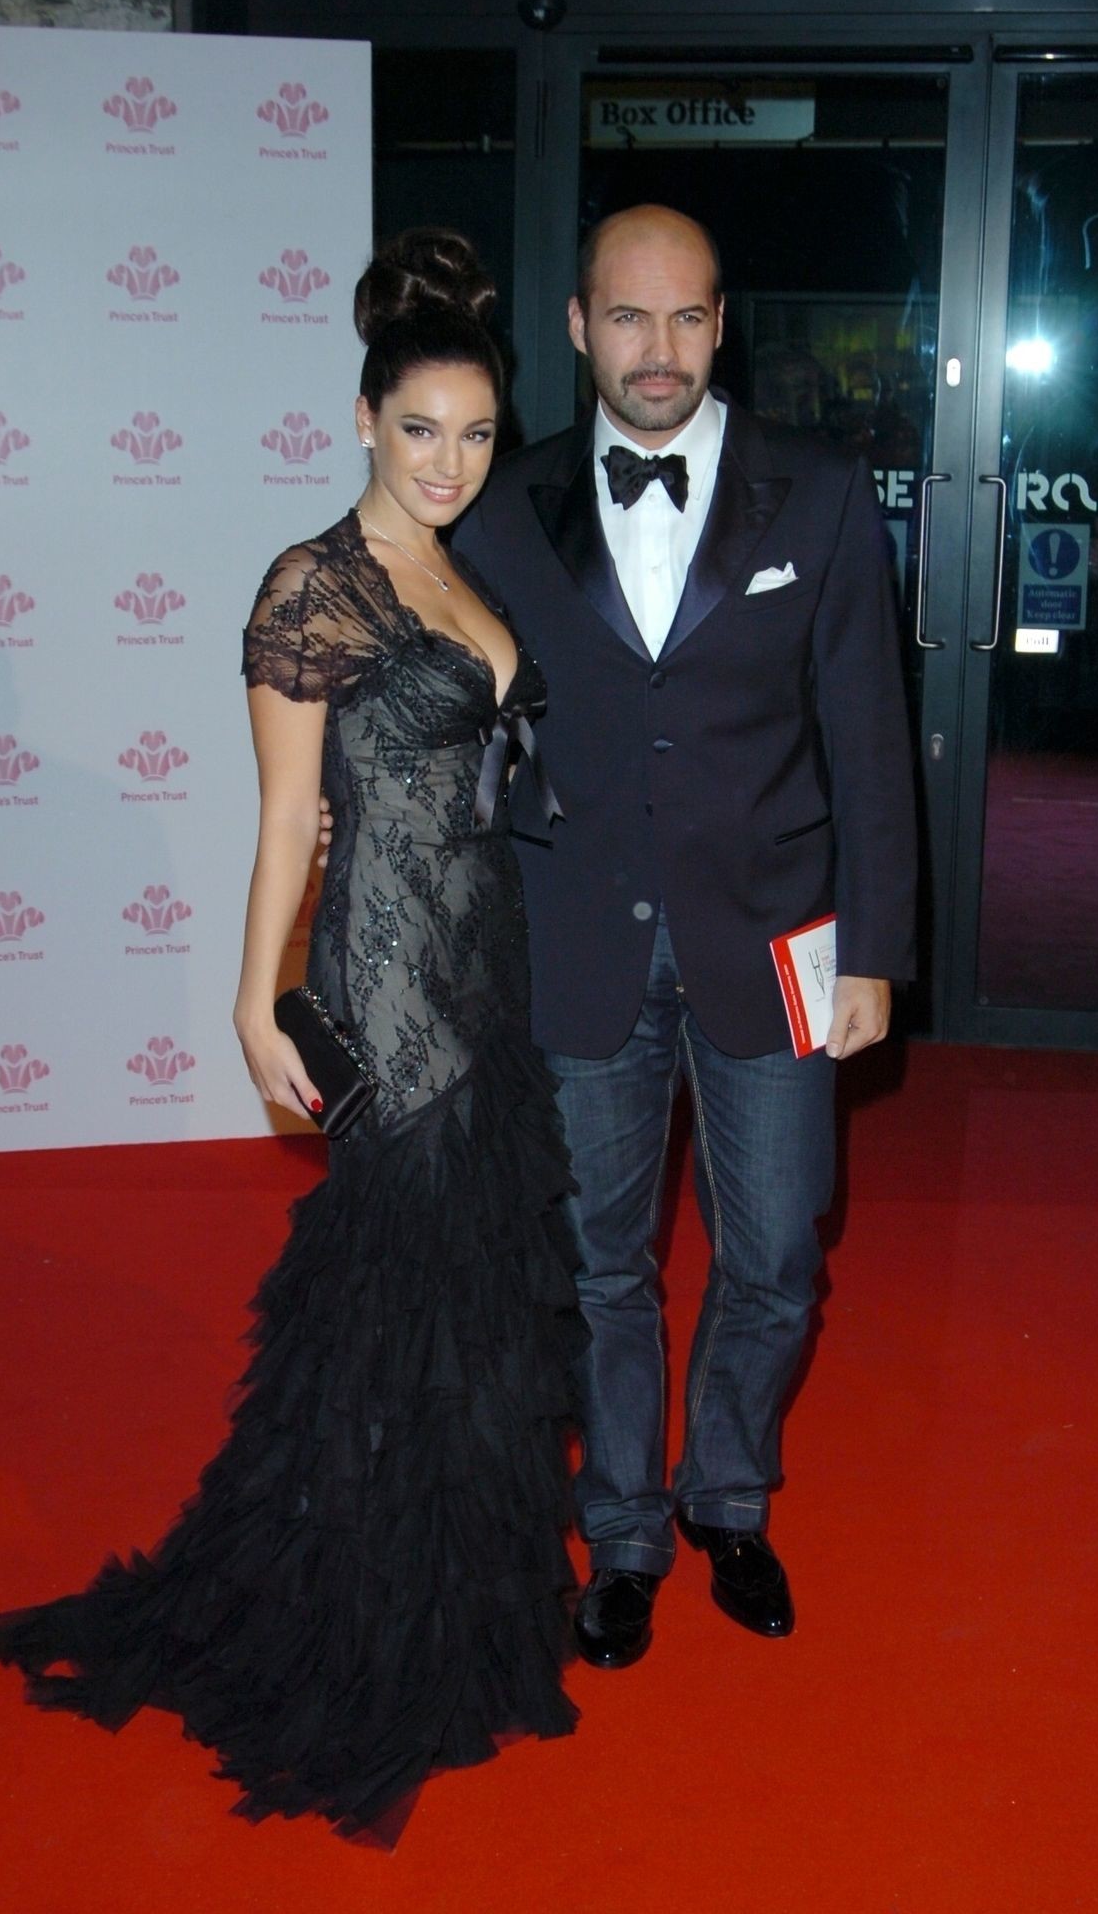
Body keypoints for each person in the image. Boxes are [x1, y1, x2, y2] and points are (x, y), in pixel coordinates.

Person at [0, 229, 584, 1842]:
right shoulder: (314, 583)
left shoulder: (462, 568)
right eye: (419, 429)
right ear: (364, 420)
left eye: (476, 432)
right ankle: (361, 1638)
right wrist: (257, 1002)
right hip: (392, 993)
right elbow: (287, 820)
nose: (449, 460)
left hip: (490, 972)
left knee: (476, 1323)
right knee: (393, 1324)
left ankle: (452, 1619)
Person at [453, 204, 918, 1668]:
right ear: (578, 326)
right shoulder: (502, 507)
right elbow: (458, 723)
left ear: (724, 325)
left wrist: (875, 952)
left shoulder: (821, 494)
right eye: (628, 317)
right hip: (575, 935)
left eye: (688, 317)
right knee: (599, 1262)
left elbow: (869, 735)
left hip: (775, 932)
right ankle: (625, 1532)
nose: (659, 350)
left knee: (776, 1251)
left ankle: (728, 1494)